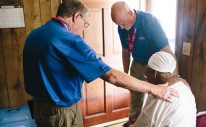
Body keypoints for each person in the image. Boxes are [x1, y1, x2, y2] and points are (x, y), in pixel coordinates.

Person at [23, 0, 178, 127]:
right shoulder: (69, 40)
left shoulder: (35, 34)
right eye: (85, 24)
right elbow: (112, 76)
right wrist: (154, 89)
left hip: (39, 108)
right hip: (60, 113)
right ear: (77, 16)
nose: (83, 30)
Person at [111, 1, 178, 126]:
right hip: (137, 63)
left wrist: (176, 77)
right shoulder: (121, 27)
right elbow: (125, 51)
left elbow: (167, 50)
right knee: (135, 94)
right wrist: (126, 74)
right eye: (118, 24)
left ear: (130, 13)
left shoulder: (150, 22)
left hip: (155, 66)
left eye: (123, 23)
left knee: (156, 95)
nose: (121, 27)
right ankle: (133, 122)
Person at [131, 51, 197, 127]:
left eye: (147, 70)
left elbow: (142, 125)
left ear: (155, 73)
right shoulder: (184, 87)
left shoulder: (160, 94)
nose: (145, 74)